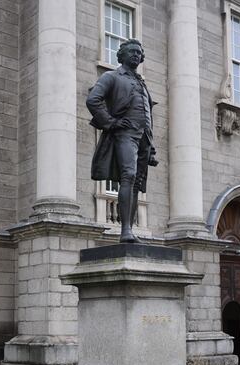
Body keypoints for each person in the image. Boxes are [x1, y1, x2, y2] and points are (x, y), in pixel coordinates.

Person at [86, 39, 158, 243]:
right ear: (122, 55)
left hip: (143, 137)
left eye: (139, 53)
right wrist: (110, 122)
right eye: (132, 51)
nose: (136, 55)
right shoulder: (111, 76)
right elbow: (93, 100)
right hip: (124, 133)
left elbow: (147, 114)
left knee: (137, 183)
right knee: (128, 175)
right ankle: (125, 230)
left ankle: (130, 229)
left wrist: (151, 147)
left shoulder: (142, 83)